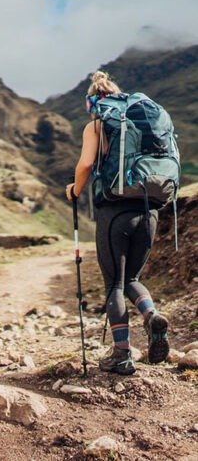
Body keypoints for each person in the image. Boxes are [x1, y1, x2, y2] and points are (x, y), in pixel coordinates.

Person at [65, 71, 169, 376]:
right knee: (133, 277)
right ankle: (151, 315)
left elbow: (86, 164)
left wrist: (75, 189)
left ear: (92, 101)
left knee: (114, 284)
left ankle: (122, 355)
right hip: (150, 209)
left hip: (115, 212)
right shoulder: (143, 120)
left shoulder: (97, 124)